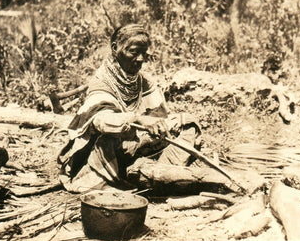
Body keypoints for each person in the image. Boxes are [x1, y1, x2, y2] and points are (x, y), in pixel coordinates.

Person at [58, 24, 201, 193]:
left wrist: (157, 125)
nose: (140, 59)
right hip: (110, 148)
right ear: (115, 48)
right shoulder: (102, 81)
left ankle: (159, 171)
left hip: (137, 142)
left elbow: (158, 115)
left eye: (144, 53)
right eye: (134, 52)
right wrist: (137, 119)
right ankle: (134, 176)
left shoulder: (143, 81)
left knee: (187, 123)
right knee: (108, 140)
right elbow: (100, 121)